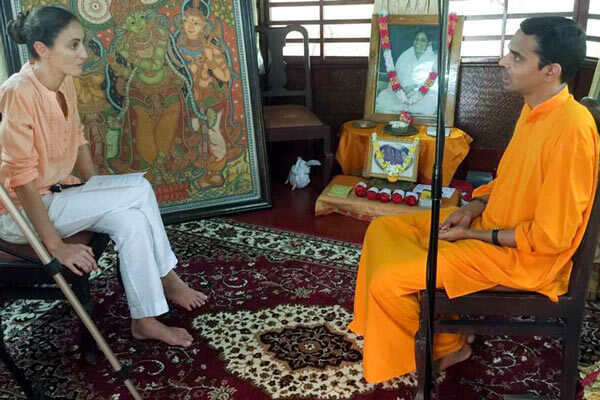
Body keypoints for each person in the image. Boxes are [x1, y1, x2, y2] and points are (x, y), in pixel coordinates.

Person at [349, 16, 597, 383]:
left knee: (388, 278)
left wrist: (474, 236)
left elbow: (552, 238)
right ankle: (444, 337)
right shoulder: (534, 109)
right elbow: (506, 180)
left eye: (516, 57)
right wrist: (472, 208)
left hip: (522, 257)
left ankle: (442, 351)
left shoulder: (572, 130)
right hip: (490, 225)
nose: (503, 62)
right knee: (384, 229)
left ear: (551, 70)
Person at [0, 6, 208, 348]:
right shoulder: (18, 92)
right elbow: (21, 180)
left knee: (130, 220)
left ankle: (145, 319)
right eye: (74, 46)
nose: (84, 54)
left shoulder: (63, 80)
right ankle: (168, 278)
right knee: (139, 188)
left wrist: (98, 190)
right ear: (42, 50)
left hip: (59, 195)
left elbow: (78, 138)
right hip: (21, 214)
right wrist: (57, 247)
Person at [375, 29, 438, 116]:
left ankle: (407, 109)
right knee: (384, 96)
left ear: (429, 43)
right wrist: (402, 90)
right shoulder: (405, 56)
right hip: (401, 92)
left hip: (422, 95)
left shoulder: (433, 59)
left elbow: (433, 83)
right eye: (417, 39)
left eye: (423, 40)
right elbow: (397, 76)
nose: (418, 42)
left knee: (432, 101)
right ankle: (408, 109)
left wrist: (413, 87)